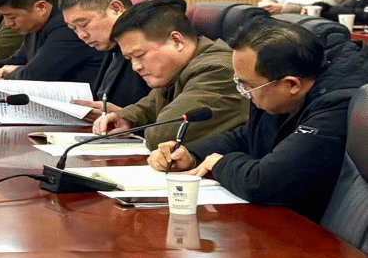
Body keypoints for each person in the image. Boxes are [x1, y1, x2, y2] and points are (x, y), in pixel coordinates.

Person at [150, 18, 368, 222]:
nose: (243, 92)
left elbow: (266, 182)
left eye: (248, 85)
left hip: (316, 237)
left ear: (292, 84)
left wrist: (221, 164)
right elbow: (247, 136)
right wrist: (191, 154)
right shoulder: (283, 90)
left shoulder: (337, 105)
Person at [94, 0, 249, 150]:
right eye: (130, 59)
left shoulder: (218, 70)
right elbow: (149, 106)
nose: (135, 67)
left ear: (176, 41)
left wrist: (138, 125)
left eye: (140, 55)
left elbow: (162, 135)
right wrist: (126, 119)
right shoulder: (179, 70)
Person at [57, 0, 156, 119]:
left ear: (116, 8)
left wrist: (126, 117)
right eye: (73, 28)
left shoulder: (150, 45)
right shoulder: (110, 46)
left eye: (84, 24)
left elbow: (167, 116)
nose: (81, 35)